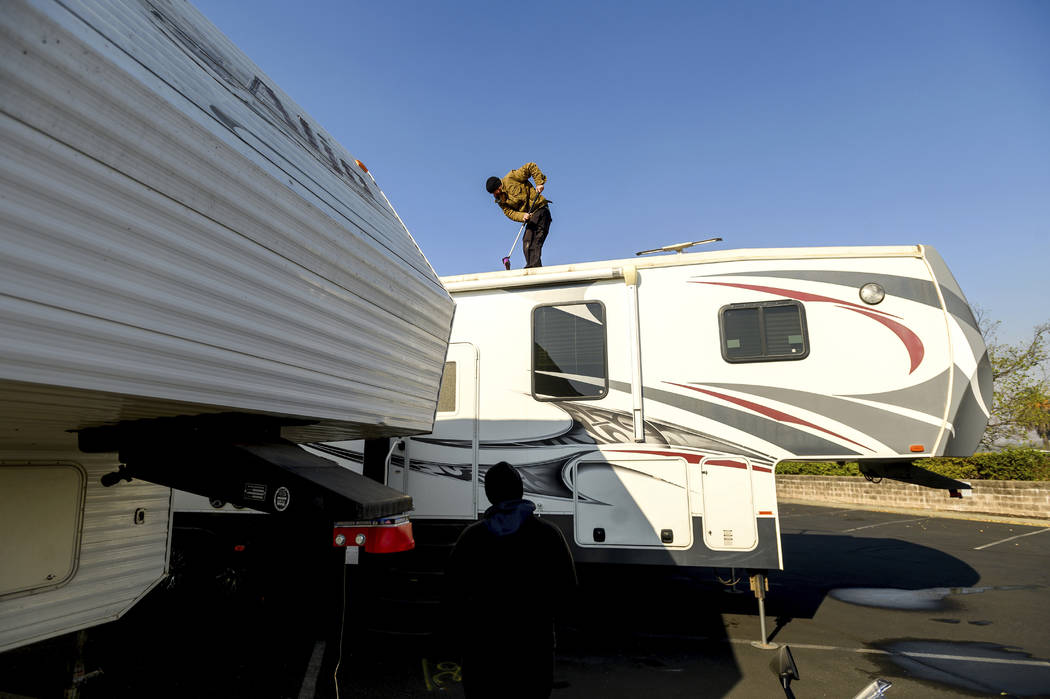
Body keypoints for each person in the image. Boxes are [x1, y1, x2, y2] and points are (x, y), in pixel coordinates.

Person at [444, 461, 577, 698]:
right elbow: (567, 592)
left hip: (482, 652)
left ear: (489, 494)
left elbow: (452, 594)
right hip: (533, 650)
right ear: (520, 490)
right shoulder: (548, 534)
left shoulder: (472, 537)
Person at [485, 163, 552, 268]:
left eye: (494, 192)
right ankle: (532, 266)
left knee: (534, 239)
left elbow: (531, 166)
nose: (494, 195)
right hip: (530, 216)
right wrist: (522, 216)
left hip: (540, 209)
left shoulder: (511, 177)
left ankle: (534, 267)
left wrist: (539, 183)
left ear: (498, 187)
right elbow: (509, 213)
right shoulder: (500, 200)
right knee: (527, 240)